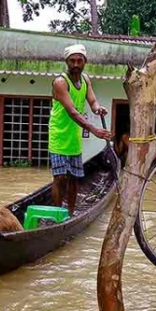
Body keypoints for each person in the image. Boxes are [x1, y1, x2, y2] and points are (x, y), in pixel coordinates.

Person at [49, 44, 113, 216]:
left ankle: (70, 213)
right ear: (67, 62)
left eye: (79, 60)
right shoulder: (60, 82)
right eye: (72, 61)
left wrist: (98, 108)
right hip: (59, 136)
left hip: (74, 137)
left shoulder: (85, 80)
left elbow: (92, 101)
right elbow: (72, 112)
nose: (76, 64)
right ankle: (57, 214)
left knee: (74, 178)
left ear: (85, 61)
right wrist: (94, 130)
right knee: (60, 177)